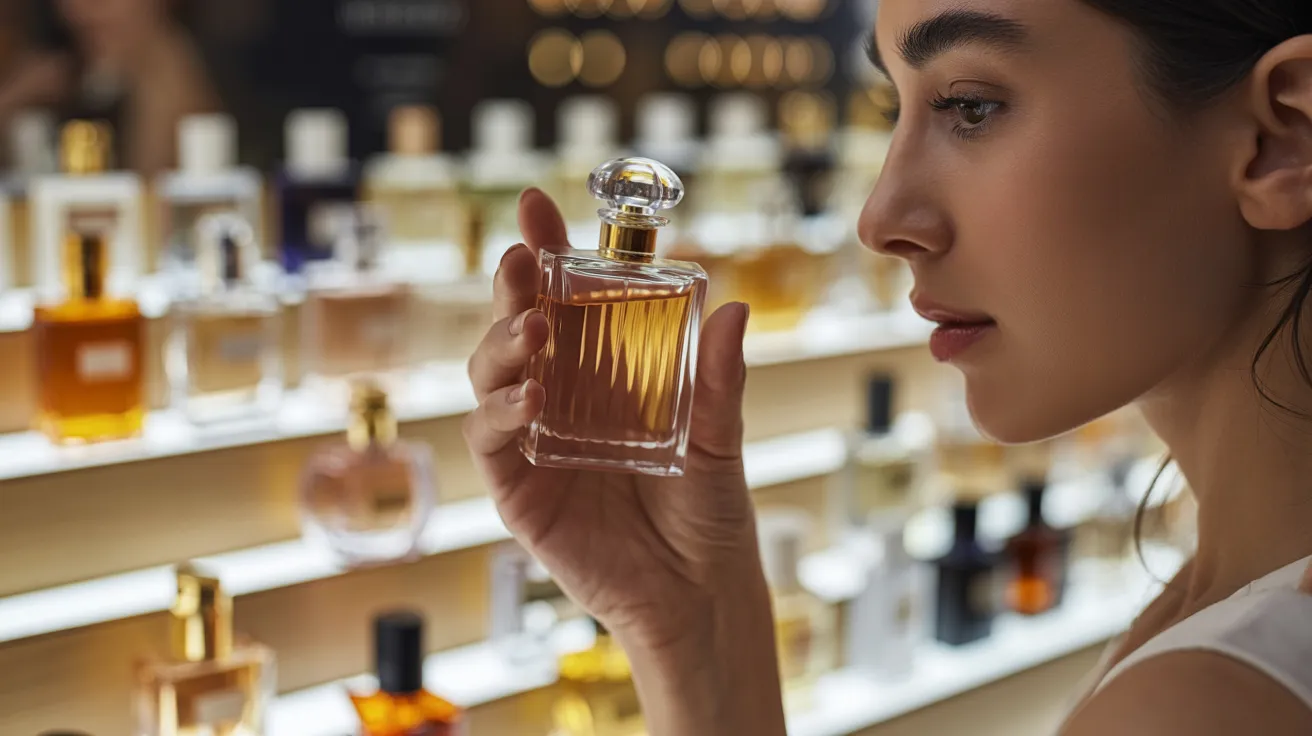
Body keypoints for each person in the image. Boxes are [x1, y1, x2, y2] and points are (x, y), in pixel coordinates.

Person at [465, 1, 1312, 733]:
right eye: (890, 112)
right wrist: (681, 613)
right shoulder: (1225, 620)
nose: (880, 218)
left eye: (971, 108)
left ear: (1284, 139)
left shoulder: (1204, 703)